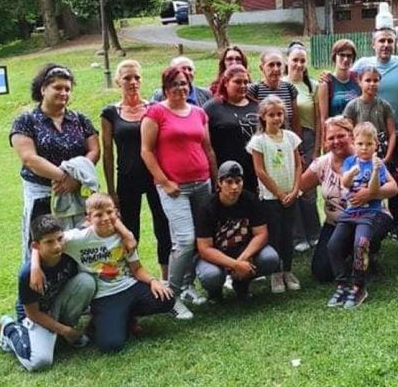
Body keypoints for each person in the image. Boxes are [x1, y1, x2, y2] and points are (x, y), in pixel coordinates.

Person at [141, 65, 218, 320]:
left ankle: (187, 286)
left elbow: (207, 148)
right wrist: (164, 182)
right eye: (174, 84)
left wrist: (215, 178)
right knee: (184, 240)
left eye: (184, 83)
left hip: (202, 183)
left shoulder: (198, 112)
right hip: (174, 188)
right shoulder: (156, 112)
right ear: (165, 88)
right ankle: (171, 296)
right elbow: (146, 151)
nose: (180, 88)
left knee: (200, 237)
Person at [60, 194, 174, 353]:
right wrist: (36, 265)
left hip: (129, 286)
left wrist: (153, 281)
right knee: (111, 345)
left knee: (166, 298)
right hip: (105, 295)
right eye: (98, 215)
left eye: (109, 212)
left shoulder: (125, 237)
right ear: (88, 218)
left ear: (116, 212)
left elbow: (137, 269)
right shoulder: (77, 238)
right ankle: (104, 321)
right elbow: (47, 240)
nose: (105, 218)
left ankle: (125, 316)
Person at [10, 63, 100, 261]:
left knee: (77, 245)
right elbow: (29, 158)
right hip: (42, 196)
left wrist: (77, 179)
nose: (64, 93)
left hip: (77, 194)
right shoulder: (26, 121)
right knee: (44, 250)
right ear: (43, 89)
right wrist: (64, 178)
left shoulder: (80, 119)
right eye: (58, 87)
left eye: (67, 88)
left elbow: (94, 150)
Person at [300, 117, 398, 282]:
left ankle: (367, 256)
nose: (336, 141)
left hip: (371, 215)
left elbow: (393, 188)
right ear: (325, 141)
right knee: (322, 272)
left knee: (365, 237)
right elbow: (300, 187)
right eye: (331, 138)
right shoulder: (321, 164)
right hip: (337, 222)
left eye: (341, 136)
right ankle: (351, 253)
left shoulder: (365, 156)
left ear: (351, 136)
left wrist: (370, 193)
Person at [101, 60, 170, 280]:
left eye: (137, 77)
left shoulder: (154, 109)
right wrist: (111, 190)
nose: (133, 82)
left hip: (154, 176)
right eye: (127, 78)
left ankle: (167, 277)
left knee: (163, 226)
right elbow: (108, 153)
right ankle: (132, 277)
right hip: (127, 178)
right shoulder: (110, 113)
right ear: (118, 81)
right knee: (129, 228)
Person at [0, 215, 96, 371]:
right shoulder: (27, 274)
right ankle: (9, 328)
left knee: (86, 281)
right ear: (36, 246)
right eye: (49, 242)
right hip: (36, 316)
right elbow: (33, 314)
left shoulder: (67, 251)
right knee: (39, 361)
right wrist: (65, 331)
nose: (57, 246)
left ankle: (58, 336)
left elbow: (88, 224)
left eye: (60, 239)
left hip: (56, 305)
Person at [351, 28, 398, 226]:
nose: (386, 45)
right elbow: (344, 76)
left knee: (396, 178)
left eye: (390, 41)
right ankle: (370, 217)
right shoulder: (363, 64)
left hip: (397, 134)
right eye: (381, 41)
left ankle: (397, 220)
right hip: (367, 140)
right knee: (368, 177)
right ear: (373, 44)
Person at [326, 122, 392, 309]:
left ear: (375, 145)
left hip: (370, 213)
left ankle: (358, 286)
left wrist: (376, 172)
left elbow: (374, 191)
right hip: (350, 213)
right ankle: (341, 285)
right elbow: (345, 183)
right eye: (360, 144)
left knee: (360, 244)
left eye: (369, 144)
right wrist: (351, 173)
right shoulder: (350, 162)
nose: (364, 148)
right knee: (333, 245)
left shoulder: (378, 164)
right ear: (354, 143)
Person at [195, 161, 280, 301]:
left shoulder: (250, 200)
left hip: (242, 250)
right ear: (219, 183)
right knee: (211, 276)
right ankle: (215, 292)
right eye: (229, 182)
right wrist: (235, 265)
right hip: (216, 255)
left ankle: (242, 284)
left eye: (238, 181)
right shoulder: (207, 207)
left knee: (270, 258)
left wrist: (243, 259)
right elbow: (204, 249)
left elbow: (261, 234)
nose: (234, 187)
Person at [246, 95, 303, 293]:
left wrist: (295, 190)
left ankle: (288, 270)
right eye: (272, 115)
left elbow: (298, 165)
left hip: (291, 195)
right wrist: (279, 193)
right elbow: (260, 171)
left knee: (288, 234)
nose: (276, 118)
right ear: (263, 116)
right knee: (275, 235)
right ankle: (276, 273)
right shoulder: (258, 141)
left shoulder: (291, 137)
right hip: (271, 198)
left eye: (280, 114)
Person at [283, 42, 321, 252]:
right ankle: (298, 236)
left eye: (302, 60)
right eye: (295, 60)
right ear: (287, 60)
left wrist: (316, 150)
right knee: (292, 188)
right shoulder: (280, 84)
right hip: (285, 140)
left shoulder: (313, 86)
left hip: (308, 139)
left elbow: (319, 120)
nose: (298, 64)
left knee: (308, 189)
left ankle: (315, 233)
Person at [203, 64, 259, 193]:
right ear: (226, 83)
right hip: (227, 174)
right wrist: (216, 176)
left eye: (246, 82)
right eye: (237, 82)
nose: (243, 85)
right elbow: (207, 147)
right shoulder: (211, 108)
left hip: (254, 173)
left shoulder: (257, 107)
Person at [343, 66, 397, 164]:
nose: (372, 84)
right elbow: (348, 134)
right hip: (360, 153)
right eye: (368, 80)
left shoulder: (385, 106)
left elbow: (392, 133)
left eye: (375, 80)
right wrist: (355, 155)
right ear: (359, 82)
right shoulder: (352, 106)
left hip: (381, 153)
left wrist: (387, 157)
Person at [317, 39, 361, 144]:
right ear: (334, 57)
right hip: (336, 139)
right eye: (341, 55)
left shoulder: (357, 79)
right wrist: (325, 142)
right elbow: (323, 118)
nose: (345, 59)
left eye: (349, 56)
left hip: (356, 138)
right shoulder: (326, 82)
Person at [248, 50, 302, 135]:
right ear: (262, 68)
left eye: (279, 64)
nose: (276, 69)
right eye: (271, 65)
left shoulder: (290, 88)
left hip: (286, 139)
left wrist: (297, 140)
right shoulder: (254, 90)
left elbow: (295, 121)